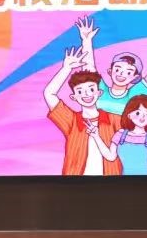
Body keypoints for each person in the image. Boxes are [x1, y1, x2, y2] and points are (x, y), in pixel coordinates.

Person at [42, 46, 123, 176]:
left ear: (99, 92)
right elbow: (49, 93)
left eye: (91, 89)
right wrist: (66, 68)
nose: (86, 94)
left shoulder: (115, 119)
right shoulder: (71, 120)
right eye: (80, 91)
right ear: (74, 97)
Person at [75, 17, 147, 115]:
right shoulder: (99, 90)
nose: (121, 74)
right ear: (110, 71)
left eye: (128, 72)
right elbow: (88, 69)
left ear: (135, 77)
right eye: (117, 69)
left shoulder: (133, 95)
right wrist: (86, 41)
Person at [87, 95, 147, 176]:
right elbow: (111, 156)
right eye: (138, 113)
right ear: (129, 115)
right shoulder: (120, 135)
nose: (142, 117)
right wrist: (96, 136)